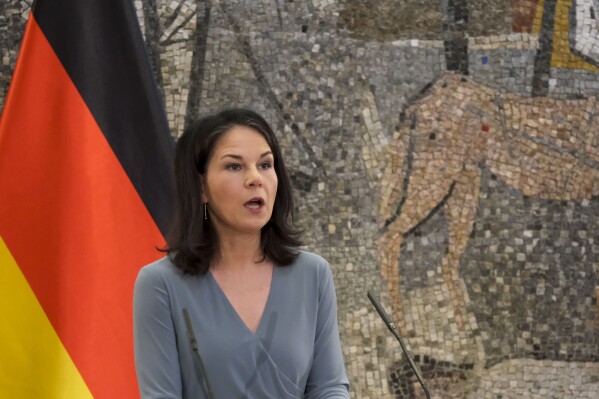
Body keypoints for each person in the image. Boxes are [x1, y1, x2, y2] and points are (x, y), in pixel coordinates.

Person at [133, 108, 350, 398]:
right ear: (201, 188)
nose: (255, 179)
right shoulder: (160, 284)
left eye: (265, 165)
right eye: (234, 166)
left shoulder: (313, 273)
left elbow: (329, 387)